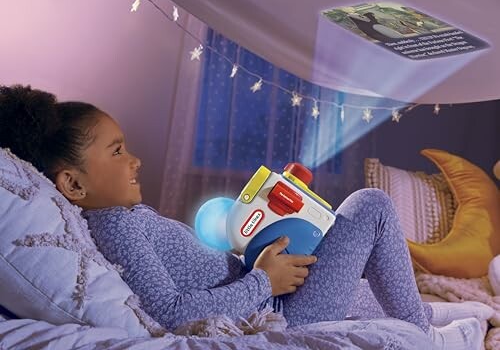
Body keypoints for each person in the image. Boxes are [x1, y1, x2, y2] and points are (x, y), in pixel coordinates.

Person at [0, 85, 492, 349]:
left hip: (269, 291)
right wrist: (263, 281)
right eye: (117, 151)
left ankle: (435, 316)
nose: (135, 160)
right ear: (73, 184)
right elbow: (172, 314)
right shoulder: (115, 227)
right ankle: (423, 335)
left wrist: (251, 263)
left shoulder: (120, 219)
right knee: (371, 207)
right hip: (275, 308)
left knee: (362, 288)